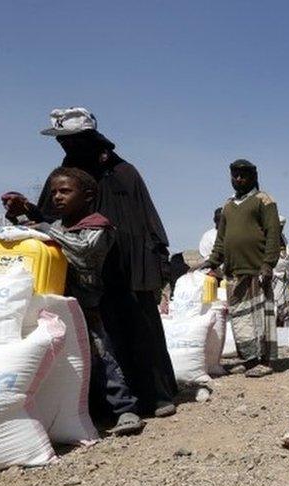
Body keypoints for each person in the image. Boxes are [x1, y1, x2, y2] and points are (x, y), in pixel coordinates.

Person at [38, 107, 178, 418]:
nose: (65, 147)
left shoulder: (124, 172)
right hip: (88, 272)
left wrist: (158, 264)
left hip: (131, 269)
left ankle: (155, 395)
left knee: (141, 330)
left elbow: (148, 221)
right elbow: (49, 222)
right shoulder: (63, 178)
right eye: (61, 141)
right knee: (103, 338)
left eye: (71, 140)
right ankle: (110, 404)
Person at [32, 167, 144, 435]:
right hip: (56, 306)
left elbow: (84, 253)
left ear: (88, 196)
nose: (57, 197)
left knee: (102, 357)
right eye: (54, 192)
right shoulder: (56, 227)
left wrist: (45, 230)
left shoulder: (98, 226)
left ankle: (125, 410)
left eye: (65, 191)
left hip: (91, 306)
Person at [199, 159, 282, 378]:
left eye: (243, 175)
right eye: (234, 175)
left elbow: (273, 233)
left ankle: (265, 361)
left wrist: (268, 263)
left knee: (260, 317)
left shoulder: (264, 200)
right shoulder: (228, 205)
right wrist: (213, 260)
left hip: (256, 268)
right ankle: (249, 358)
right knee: (241, 318)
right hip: (234, 271)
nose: (238, 179)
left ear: (253, 176)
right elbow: (221, 239)